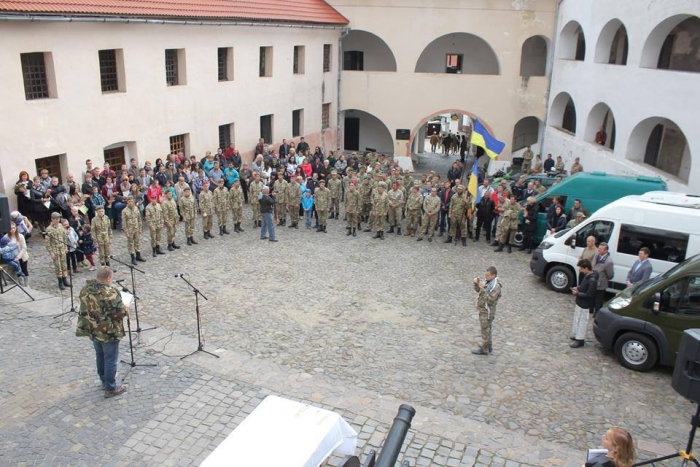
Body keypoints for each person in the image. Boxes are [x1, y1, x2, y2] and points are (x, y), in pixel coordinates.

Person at [79, 266, 128, 398]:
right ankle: (111, 387)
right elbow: (119, 313)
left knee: (100, 355)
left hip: (93, 329)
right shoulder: (110, 292)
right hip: (108, 331)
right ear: (108, 278)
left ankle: (103, 380)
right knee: (110, 359)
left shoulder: (86, 289)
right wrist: (126, 307)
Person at [472, 266, 502, 356]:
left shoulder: (496, 286)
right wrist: (476, 284)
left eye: (488, 275)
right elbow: (479, 291)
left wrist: (482, 288)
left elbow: (490, 299)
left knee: (485, 330)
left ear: (493, 275)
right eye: (486, 275)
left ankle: (485, 349)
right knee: (487, 329)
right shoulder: (488, 282)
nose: (486, 277)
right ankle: (488, 346)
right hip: (483, 310)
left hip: (488, 312)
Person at [570, 259, 599, 348]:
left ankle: (580, 339)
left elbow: (589, 294)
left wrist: (577, 293)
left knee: (582, 322)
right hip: (580, 302)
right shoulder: (588, 275)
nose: (580, 270)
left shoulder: (592, 280)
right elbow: (584, 286)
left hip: (585, 304)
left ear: (586, 268)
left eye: (581, 268)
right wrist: (578, 288)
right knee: (577, 319)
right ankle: (576, 335)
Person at [45, 212, 70, 290]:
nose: (57, 220)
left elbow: (64, 237)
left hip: (62, 249)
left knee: (64, 265)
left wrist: (65, 247)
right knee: (58, 266)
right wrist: (51, 252)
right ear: (52, 219)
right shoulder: (49, 229)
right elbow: (47, 242)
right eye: (55, 219)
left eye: (58, 219)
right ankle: (60, 281)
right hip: (55, 250)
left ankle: (65, 279)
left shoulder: (60, 226)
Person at [122, 196, 146, 265]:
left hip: (136, 228)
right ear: (127, 202)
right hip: (130, 230)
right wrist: (126, 232)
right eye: (129, 201)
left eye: (132, 201)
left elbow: (139, 219)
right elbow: (124, 223)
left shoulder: (136, 208)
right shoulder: (124, 211)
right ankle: (133, 257)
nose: (131, 203)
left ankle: (138, 255)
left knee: (137, 242)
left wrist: (140, 228)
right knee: (130, 244)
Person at [593, 243, 614, 313]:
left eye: (600, 249)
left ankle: (597, 313)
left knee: (598, 300)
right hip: (593, 281)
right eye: (598, 248)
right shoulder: (596, 256)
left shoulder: (608, 261)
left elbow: (610, 274)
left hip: (601, 284)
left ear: (606, 251)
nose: (598, 250)